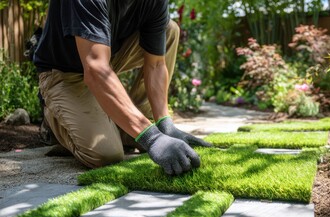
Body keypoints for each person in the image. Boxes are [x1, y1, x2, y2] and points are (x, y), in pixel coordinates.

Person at [33, 0, 211, 175]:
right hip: (63, 73)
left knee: (169, 30)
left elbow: (156, 64)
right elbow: (96, 69)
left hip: (107, 59)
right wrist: (152, 138)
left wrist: (165, 125)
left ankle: (136, 128)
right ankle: (54, 119)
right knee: (106, 155)